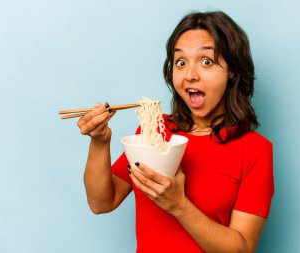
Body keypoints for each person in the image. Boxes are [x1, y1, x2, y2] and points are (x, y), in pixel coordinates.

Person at [77, 11, 274, 253]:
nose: (190, 75)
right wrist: (99, 141)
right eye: (181, 62)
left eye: (207, 61)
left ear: (232, 69)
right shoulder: (154, 131)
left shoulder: (255, 150)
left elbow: (242, 248)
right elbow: (101, 202)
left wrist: (178, 205)